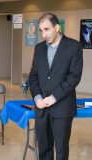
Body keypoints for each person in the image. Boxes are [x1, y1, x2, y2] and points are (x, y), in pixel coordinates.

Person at [29, 13, 83, 160]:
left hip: (62, 107)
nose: (44, 34)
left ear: (57, 27)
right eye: (41, 31)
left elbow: (74, 78)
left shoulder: (74, 47)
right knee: (44, 149)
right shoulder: (39, 48)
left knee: (61, 151)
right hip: (41, 108)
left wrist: (54, 97)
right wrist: (37, 97)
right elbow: (33, 76)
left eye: (47, 29)